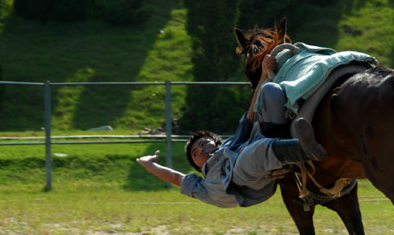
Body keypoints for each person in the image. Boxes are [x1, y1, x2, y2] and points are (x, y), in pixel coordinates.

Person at [136, 56, 325, 208]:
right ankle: (304, 148)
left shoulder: (231, 145)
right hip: (247, 185)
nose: (201, 150)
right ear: (198, 167)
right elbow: (176, 177)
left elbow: (251, 114)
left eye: (203, 143)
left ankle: (306, 135)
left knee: (271, 90)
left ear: (217, 143)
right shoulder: (205, 185)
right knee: (252, 153)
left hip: (261, 156)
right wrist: (149, 165)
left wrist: (263, 76)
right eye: (196, 154)